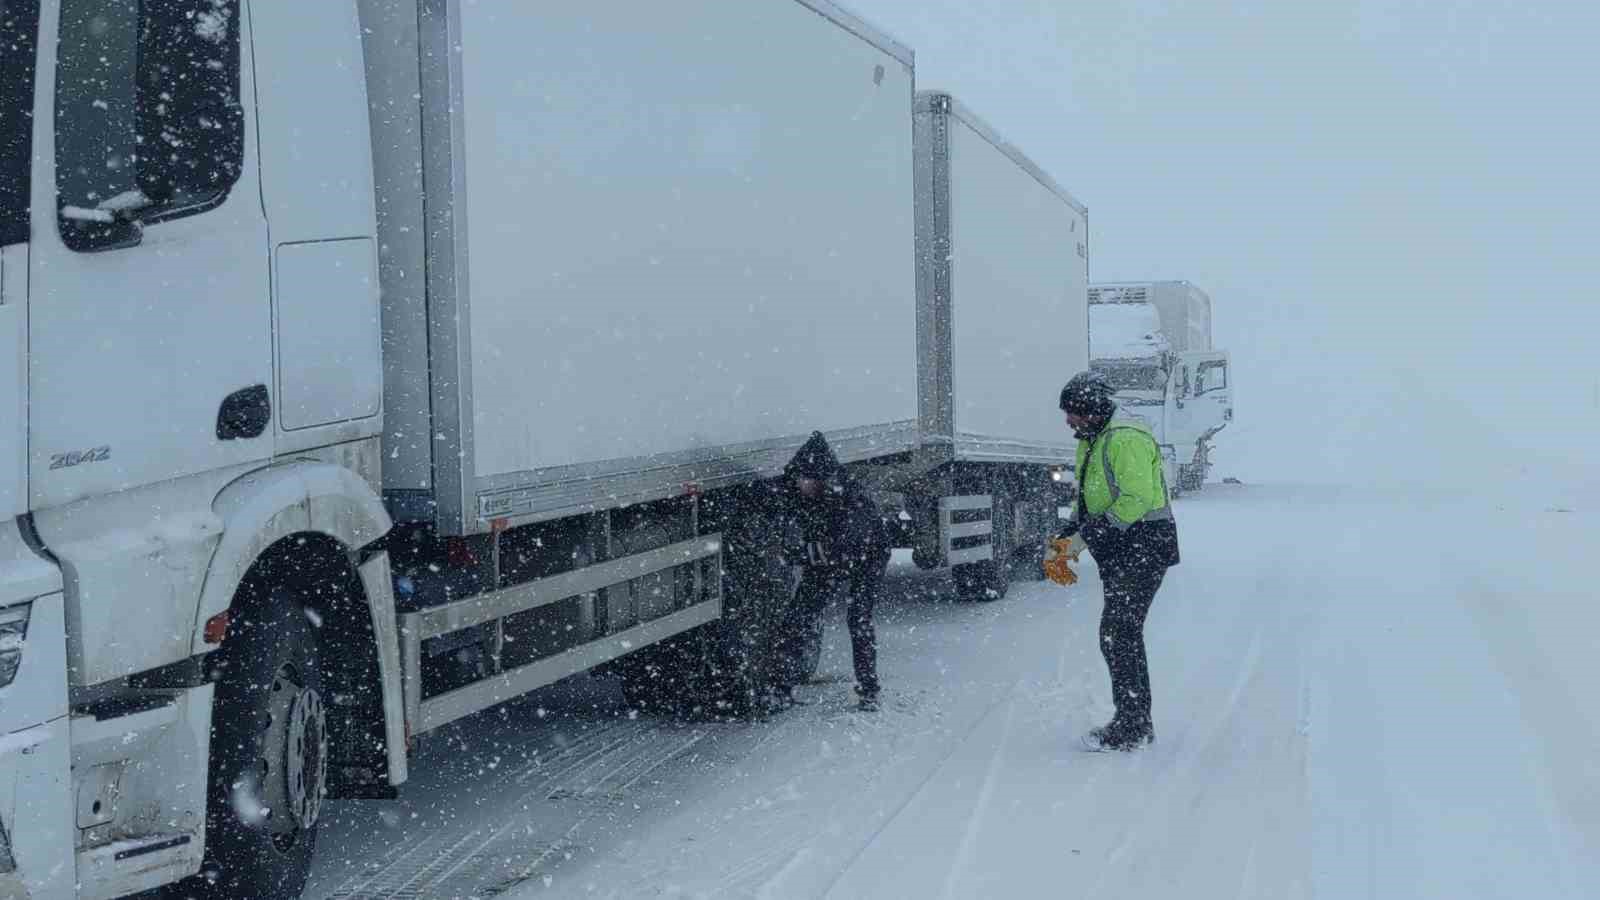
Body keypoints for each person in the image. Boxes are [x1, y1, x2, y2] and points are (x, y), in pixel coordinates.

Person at [1051, 371, 1180, 751]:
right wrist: (1066, 538)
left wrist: (1086, 538)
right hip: (1124, 547)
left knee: (1119, 634)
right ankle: (1135, 721)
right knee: (1120, 635)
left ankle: (1133, 726)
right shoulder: (1091, 439)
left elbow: (1135, 499)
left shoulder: (1125, 439)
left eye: (1073, 412)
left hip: (1145, 544)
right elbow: (1090, 497)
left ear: (1092, 409)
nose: (1068, 420)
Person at [772, 431, 891, 712]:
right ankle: (780, 688)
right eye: (799, 478)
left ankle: (869, 689)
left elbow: (843, 547)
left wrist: (797, 554)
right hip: (828, 556)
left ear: (822, 478)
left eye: (807, 479)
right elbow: (777, 502)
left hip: (868, 556)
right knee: (798, 617)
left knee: (858, 619)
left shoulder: (850, 499)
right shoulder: (798, 490)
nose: (802, 485)